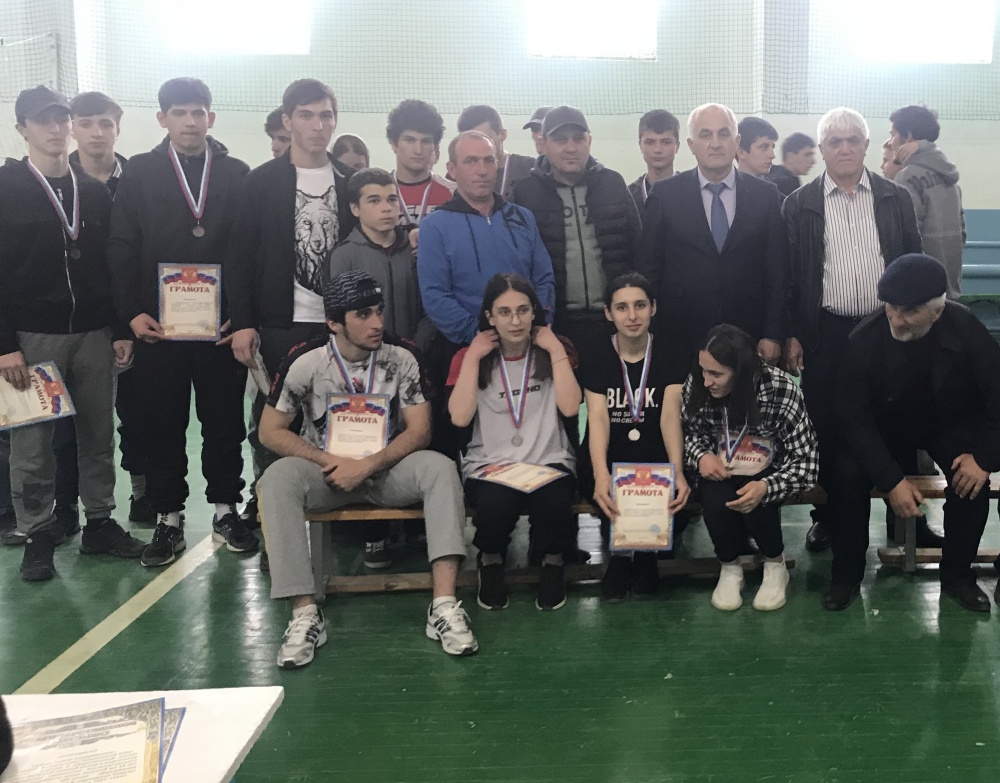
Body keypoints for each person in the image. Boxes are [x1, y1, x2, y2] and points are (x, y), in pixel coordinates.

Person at [258, 270, 478, 667]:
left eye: (379, 311)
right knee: (275, 479)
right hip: (327, 472)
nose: (377, 322)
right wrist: (330, 462)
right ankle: (304, 613)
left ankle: (444, 605)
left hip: (386, 471)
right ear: (334, 322)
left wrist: (369, 465)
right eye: (363, 314)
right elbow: (269, 431)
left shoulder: (402, 356)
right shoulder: (305, 360)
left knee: (441, 469)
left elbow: (420, 430)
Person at [108, 77, 256, 567]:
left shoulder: (235, 172)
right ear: (162, 118)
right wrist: (131, 313)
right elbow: (122, 245)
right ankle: (168, 518)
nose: (190, 121)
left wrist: (242, 315)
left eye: (198, 112)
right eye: (179, 112)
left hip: (220, 330)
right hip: (159, 329)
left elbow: (247, 250)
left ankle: (225, 510)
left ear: (210, 118)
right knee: (162, 425)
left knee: (224, 423)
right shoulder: (140, 172)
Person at [0, 85, 144, 580]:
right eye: (43, 120)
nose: (55, 128)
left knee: (97, 436)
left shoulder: (95, 191)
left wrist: (120, 327)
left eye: (61, 118)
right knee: (32, 444)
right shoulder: (6, 188)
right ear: (22, 128)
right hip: (31, 339)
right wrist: (4, 346)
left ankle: (99, 522)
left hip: (94, 335)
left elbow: (113, 266)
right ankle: (37, 533)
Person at [782, 107, 924, 557]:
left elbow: (914, 261)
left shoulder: (895, 197)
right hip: (826, 331)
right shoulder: (798, 204)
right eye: (834, 141)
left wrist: (915, 318)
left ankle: (909, 523)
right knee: (826, 426)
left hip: (888, 327)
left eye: (852, 140)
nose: (844, 148)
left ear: (866, 145)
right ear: (822, 149)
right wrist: (793, 333)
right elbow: (789, 276)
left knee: (898, 420)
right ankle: (827, 518)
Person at [226, 79, 358, 534]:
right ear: (288, 121)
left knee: (340, 420)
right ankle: (270, 518)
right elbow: (240, 256)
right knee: (273, 425)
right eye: (306, 115)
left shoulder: (351, 182)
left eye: (325, 116)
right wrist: (244, 323)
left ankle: (342, 516)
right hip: (281, 324)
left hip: (339, 329)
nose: (317, 125)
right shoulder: (260, 182)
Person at [834, 254, 1000, 612]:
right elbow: (854, 419)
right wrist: (891, 480)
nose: (896, 319)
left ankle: (958, 577)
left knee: (971, 483)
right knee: (846, 475)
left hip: (947, 423)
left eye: (908, 311)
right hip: (883, 428)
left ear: (937, 312)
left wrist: (983, 459)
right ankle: (845, 575)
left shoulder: (965, 327)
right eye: (891, 307)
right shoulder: (863, 339)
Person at [448, 274, 582, 611]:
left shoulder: (554, 351)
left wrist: (554, 349)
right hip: (490, 464)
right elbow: (460, 418)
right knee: (495, 506)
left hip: (547, 460)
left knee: (554, 504)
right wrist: (472, 358)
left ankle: (553, 562)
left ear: (535, 312)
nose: (515, 320)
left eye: (523, 310)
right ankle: (490, 559)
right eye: (504, 312)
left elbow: (570, 407)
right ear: (489, 317)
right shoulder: (470, 357)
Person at [327, 166, 437, 569]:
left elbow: (431, 301)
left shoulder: (416, 247)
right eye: (374, 201)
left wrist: (415, 345)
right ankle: (373, 534)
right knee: (370, 441)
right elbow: (343, 313)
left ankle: (416, 524)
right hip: (366, 369)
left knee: (414, 436)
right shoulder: (344, 254)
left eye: (392, 199)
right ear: (355, 208)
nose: (386, 208)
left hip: (414, 359)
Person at [62, 91, 152, 528]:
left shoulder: (141, 179)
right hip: (77, 321)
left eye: (105, 123)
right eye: (86, 123)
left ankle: (142, 491)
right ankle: (65, 505)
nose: (97, 132)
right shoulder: (55, 180)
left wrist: (130, 318)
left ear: (117, 127)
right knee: (69, 421)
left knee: (137, 411)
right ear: (72, 128)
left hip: (132, 316)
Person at [638, 103, 787, 364]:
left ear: (737, 142)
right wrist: (652, 332)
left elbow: (777, 269)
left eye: (724, 134)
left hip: (748, 334)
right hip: (680, 334)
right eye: (705, 135)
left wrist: (773, 333)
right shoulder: (664, 195)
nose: (715, 144)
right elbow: (650, 270)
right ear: (691, 144)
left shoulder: (766, 196)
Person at [683, 324, 818, 611]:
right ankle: (729, 566)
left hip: (769, 468)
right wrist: (701, 456)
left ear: (742, 373)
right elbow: (690, 434)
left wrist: (768, 486)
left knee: (756, 497)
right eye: (703, 371)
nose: (706, 381)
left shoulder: (781, 389)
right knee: (714, 500)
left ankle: (775, 564)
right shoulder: (698, 383)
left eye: (716, 374)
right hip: (720, 464)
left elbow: (806, 462)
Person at [578, 273, 691, 601]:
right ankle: (621, 556)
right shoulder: (596, 352)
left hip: (656, 454)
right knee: (608, 483)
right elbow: (598, 418)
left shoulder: (671, 352)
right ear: (608, 313)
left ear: (653, 308)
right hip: (609, 454)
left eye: (640, 305)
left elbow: (670, 416)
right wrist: (601, 473)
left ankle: (645, 554)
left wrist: (677, 470)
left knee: (673, 484)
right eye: (622, 307)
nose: (632, 316)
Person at [511, 106, 641, 353]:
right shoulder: (525, 193)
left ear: (589, 141)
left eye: (578, 139)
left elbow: (638, 247)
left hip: (615, 320)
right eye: (561, 140)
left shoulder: (613, 183)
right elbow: (518, 263)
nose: (571, 148)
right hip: (554, 325)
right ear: (544, 143)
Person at [418, 131, 555, 347]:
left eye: (488, 161)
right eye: (471, 161)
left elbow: (544, 278)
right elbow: (435, 295)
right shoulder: (434, 226)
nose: (482, 170)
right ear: (452, 169)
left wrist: (537, 322)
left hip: (528, 343)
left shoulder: (522, 217)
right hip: (469, 348)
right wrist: (477, 334)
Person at [887, 105, 965, 300]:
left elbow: (908, 236)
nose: (890, 142)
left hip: (922, 290)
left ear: (908, 137)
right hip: (950, 285)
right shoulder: (949, 177)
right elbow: (962, 233)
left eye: (893, 134)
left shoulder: (907, 176)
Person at [386, 99, 455, 227]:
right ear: (394, 144)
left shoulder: (454, 192)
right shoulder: (377, 190)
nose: (418, 150)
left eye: (426, 141)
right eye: (410, 140)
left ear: (435, 147)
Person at [457, 104, 535, 199]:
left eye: (485, 139)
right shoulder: (457, 173)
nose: (477, 146)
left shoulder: (530, 169)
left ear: (502, 135)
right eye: (469, 141)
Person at [628, 110, 680, 217]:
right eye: (650, 142)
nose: (657, 150)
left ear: (677, 146)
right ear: (640, 146)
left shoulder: (693, 191)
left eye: (666, 142)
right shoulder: (628, 196)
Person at [767, 132, 816, 197]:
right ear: (790, 157)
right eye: (807, 155)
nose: (813, 161)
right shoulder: (789, 183)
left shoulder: (768, 177)